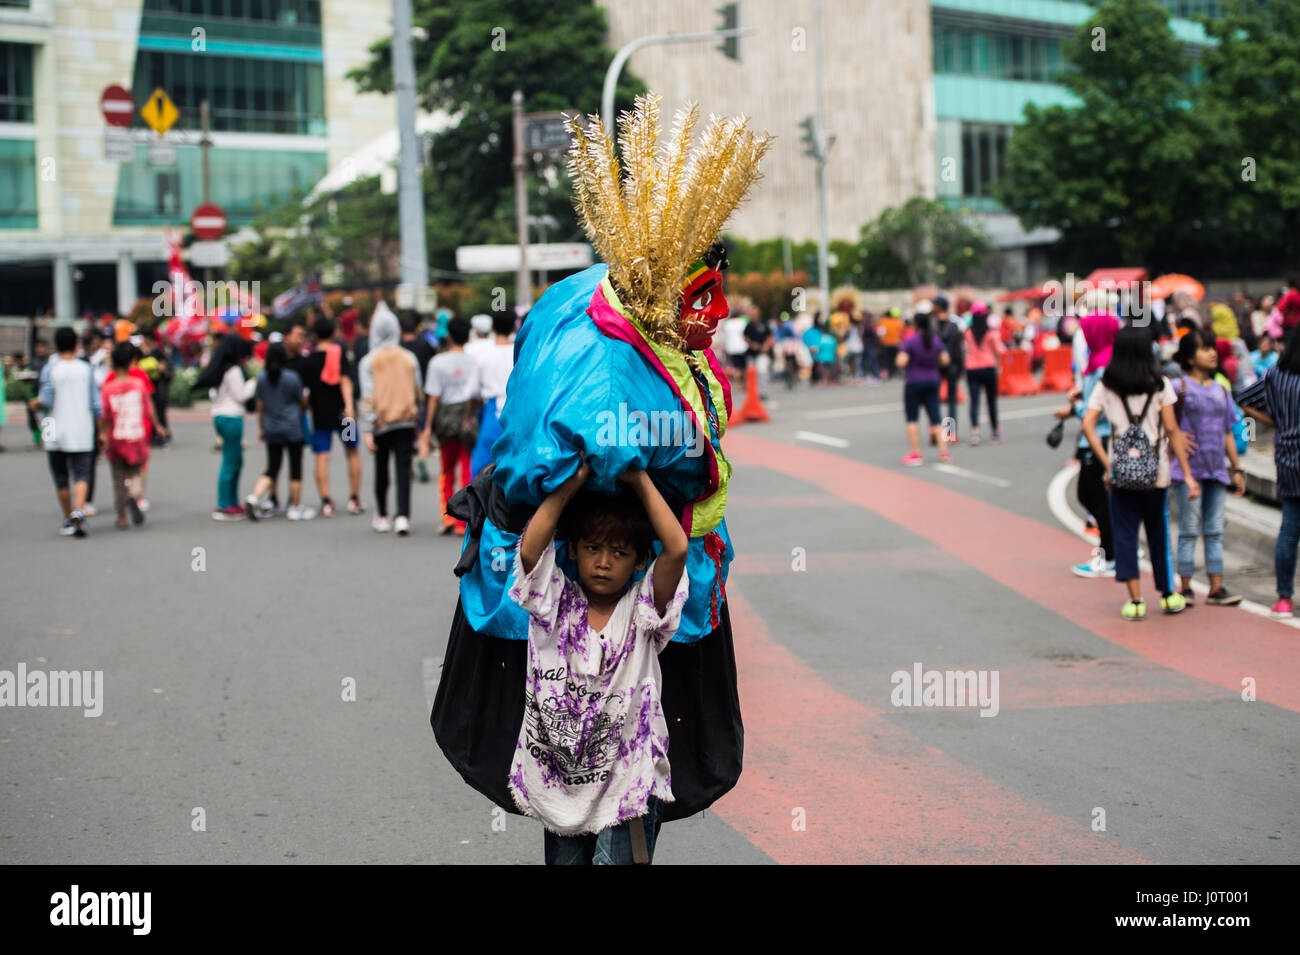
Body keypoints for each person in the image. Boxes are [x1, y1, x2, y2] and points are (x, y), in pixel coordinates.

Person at [431, 97, 757, 858]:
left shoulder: (645, 600)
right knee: (568, 842)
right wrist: (597, 479)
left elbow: (683, 511)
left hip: (628, 751)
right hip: (558, 755)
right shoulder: (592, 316)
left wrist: (620, 477)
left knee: (619, 839)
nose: (604, 562)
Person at [510, 460, 689, 864]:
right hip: (562, 783)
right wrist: (574, 481)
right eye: (592, 548)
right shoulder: (553, 607)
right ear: (572, 550)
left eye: (619, 552)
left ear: (641, 560)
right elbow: (530, 550)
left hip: (629, 781)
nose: (604, 562)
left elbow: (676, 549)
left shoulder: (642, 611)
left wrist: (639, 480)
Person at [1082, 326, 1197, 620]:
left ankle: (1135, 601)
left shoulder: (1106, 385)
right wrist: (1187, 473)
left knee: (1125, 535)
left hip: (1121, 474)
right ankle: (1169, 595)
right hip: (1155, 473)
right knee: (1158, 533)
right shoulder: (1159, 385)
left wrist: (1109, 465)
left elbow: (1087, 425)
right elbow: (1172, 430)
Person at [1169, 327, 1246, 606]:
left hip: (1216, 470)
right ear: (1189, 358)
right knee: (1189, 529)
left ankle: (1216, 587)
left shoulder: (1221, 390)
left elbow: (1228, 431)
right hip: (1187, 471)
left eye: (1213, 348)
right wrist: (1174, 436)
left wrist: (1236, 469)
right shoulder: (1179, 388)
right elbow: (1164, 421)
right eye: (1205, 348)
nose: (1213, 353)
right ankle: (1185, 587)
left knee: (1215, 530)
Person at [1236, 323, 1300, 618]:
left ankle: (1284, 598)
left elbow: (1243, 399)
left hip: (1287, 459)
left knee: (1289, 530)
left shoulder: (1276, 375)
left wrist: (1276, 421)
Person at [1061, 311, 1119, 579]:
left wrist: (1078, 405)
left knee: (1092, 495)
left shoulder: (1103, 366)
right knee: (1095, 496)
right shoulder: (1101, 362)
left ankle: (1109, 555)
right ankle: (1112, 551)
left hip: (1098, 439)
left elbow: (1100, 410)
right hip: (1097, 438)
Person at [359, 305, 422, 535]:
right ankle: (403, 516)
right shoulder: (409, 358)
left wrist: (367, 428)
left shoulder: (369, 361)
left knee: (381, 468)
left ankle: (382, 514)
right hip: (406, 420)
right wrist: (418, 419)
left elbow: (368, 397)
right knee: (403, 469)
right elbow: (418, 391)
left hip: (381, 422)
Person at [30, 327, 99, 536]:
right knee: (82, 473)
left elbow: (46, 399)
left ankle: (68, 517)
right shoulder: (86, 368)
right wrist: (102, 430)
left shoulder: (51, 368)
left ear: (57, 345)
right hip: (82, 428)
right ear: (76, 345)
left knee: (61, 476)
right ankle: (79, 510)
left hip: (54, 428)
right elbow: (96, 404)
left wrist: (34, 404)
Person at [419, 316, 479, 535]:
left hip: (445, 417)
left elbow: (433, 397)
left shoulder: (437, 362)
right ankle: (464, 521)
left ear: (449, 336)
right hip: (468, 416)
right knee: (467, 467)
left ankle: (448, 517)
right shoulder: (474, 359)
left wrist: (427, 427)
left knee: (446, 468)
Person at [299, 315, 363, 517]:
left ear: (314, 335)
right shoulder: (339, 352)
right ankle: (354, 499)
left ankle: (326, 501)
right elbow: (345, 381)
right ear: (334, 333)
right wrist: (350, 407)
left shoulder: (307, 360)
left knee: (321, 455)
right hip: (344, 413)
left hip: (319, 413)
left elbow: (305, 391)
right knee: (352, 451)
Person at [99, 341, 167, 529]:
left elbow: (103, 414)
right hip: (136, 434)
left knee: (118, 477)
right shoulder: (138, 383)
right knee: (137, 471)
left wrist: (102, 434)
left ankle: (121, 517)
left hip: (116, 436)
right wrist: (158, 426)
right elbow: (149, 407)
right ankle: (134, 495)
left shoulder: (108, 387)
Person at [244, 342, 313, 522]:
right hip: (292, 428)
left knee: (273, 467)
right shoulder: (292, 377)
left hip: (271, 428)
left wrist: (262, 428)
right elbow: (302, 403)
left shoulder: (262, 378)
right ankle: (295, 507)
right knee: (295, 467)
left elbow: (260, 407)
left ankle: (255, 496)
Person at [198, 335, 255, 520]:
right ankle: (224, 504)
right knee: (232, 462)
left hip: (221, 415)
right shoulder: (234, 371)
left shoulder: (221, 369)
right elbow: (241, 395)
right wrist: (253, 384)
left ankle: (230, 502)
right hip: (232, 417)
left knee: (231, 461)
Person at [897, 307, 951, 466]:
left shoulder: (911, 341)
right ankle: (944, 451)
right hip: (933, 380)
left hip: (914, 381)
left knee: (912, 418)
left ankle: (916, 453)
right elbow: (945, 360)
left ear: (915, 324)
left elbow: (901, 361)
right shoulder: (935, 340)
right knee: (936, 417)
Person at [469, 310, 516, 478]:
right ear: (513, 328)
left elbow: (473, 393)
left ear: (493, 328)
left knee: (483, 467)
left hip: (491, 410)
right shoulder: (519, 353)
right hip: (516, 409)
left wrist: (469, 417)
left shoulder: (483, 356)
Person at [399, 312, 438, 484]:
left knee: (407, 432)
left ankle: (409, 465)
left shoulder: (398, 347)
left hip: (402, 393)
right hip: (422, 393)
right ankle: (422, 457)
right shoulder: (425, 345)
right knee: (424, 429)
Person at [963, 301, 1004, 445]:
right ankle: (995, 431)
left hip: (972, 369)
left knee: (974, 401)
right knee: (991, 401)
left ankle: (975, 432)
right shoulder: (991, 333)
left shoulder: (968, 332)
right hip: (988, 367)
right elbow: (999, 351)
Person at [933, 295, 964, 436]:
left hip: (935, 366)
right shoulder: (954, 325)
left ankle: (936, 431)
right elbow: (959, 349)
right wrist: (961, 367)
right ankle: (950, 432)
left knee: (934, 400)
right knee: (951, 400)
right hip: (952, 365)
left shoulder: (932, 325)